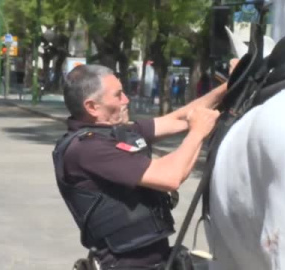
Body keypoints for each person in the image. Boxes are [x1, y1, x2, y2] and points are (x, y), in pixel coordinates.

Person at [52, 63, 235, 270]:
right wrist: (198, 132)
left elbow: (181, 118)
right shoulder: (86, 149)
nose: (126, 100)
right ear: (92, 107)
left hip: (157, 259)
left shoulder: (118, 132)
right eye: (118, 95)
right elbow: (170, 176)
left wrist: (231, 85)